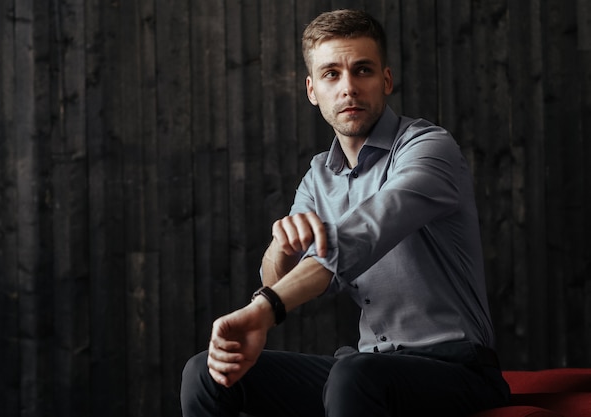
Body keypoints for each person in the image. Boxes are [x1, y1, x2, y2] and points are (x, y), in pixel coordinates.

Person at [181, 9, 510, 417]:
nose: (348, 88)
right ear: (312, 89)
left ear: (385, 80)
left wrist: (265, 308)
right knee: (206, 374)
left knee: (353, 374)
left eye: (363, 70)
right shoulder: (319, 175)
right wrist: (279, 251)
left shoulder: (429, 148)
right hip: (368, 365)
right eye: (331, 74)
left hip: (458, 369)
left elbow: (367, 230)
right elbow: (282, 280)